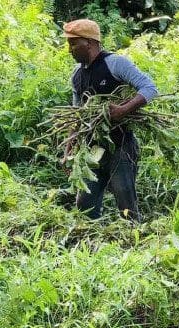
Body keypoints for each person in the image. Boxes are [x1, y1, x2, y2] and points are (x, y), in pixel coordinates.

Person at [62, 19, 158, 221]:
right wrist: (68, 149)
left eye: (73, 43)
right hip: (91, 150)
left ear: (89, 42)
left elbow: (149, 88)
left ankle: (135, 241)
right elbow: (77, 114)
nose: (69, 49)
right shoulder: (77, 76)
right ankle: (90, 246)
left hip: (120, 146)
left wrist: (123, 110)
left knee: (126, 204)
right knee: (84, 207)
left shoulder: (115, 63)